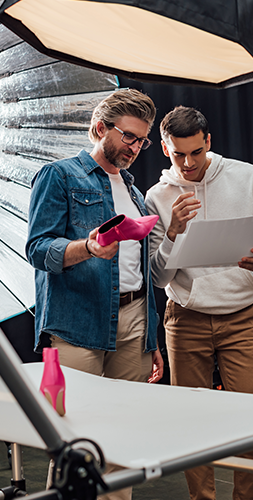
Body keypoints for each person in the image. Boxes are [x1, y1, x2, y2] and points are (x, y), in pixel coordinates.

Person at [26, 88, 164, 500]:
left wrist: (150, 336)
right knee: (76, 439)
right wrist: (85, 247)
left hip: (135, 319)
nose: (136, 148)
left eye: (142, 140)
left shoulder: (136, 193)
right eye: (128, 137)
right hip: (76, 322)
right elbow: (37, 248)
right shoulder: (60, 176)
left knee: (123, 439)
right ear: (100, 128)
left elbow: (138, 269)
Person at [145, 105, 253, 500]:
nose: (188, 163)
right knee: (191, 424)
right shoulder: (158, 196)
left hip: (242, 315)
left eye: (195, 152)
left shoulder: (247, 175)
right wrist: (172, 232)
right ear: (164, 148)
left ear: (209, 142)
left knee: (252, 421)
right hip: (185, 318)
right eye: (178, 155)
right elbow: (158, 277)